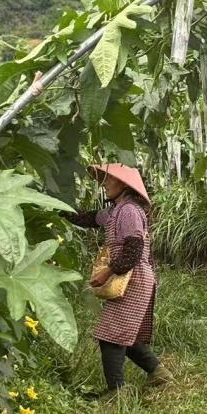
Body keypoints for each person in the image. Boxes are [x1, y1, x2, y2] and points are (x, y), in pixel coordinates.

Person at [65, 163, 171, 396]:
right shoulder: (116, 211)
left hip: (133, 277)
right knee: (124, 333)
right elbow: (89, 218)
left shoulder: (130, 211)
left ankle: (117, 391)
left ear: (123, 184)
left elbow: (134, 248)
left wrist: (107, 271)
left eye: (109, 180)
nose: (104, 185)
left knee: (111, 335)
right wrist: (60, 210)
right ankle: (159, 373)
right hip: (134, 278)